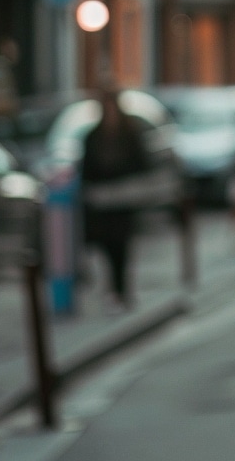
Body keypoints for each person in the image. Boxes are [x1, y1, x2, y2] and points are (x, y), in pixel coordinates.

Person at [80, 84, 152, 309]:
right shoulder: (93, 137)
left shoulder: (130, 133)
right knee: (107, 247)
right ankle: (113, 289)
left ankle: (122, 290)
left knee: (122, 247)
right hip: (102, 205)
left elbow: (142, 164)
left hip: (124, 202)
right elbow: (86, 170)